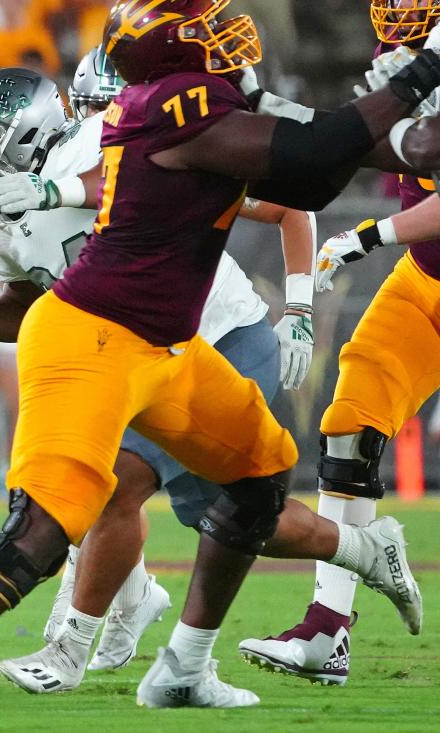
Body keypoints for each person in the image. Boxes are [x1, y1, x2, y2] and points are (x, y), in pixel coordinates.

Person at [0, 0, 428, 714]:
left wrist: (414, 96)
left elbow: (122, 175)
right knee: (53, 514)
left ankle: (187, 664)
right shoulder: (141, 123)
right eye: (210, 37)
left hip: (177, 342)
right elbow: (308, 156)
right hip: (92, 336)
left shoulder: (114, 130)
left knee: (258, 482)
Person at [239, 1, 440, 685]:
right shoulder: (404, 73)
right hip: (426, 282)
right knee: (349, 425)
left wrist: (366, 237)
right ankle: (328, 632)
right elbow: (348, 142)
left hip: (414, 259)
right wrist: (264, 103)